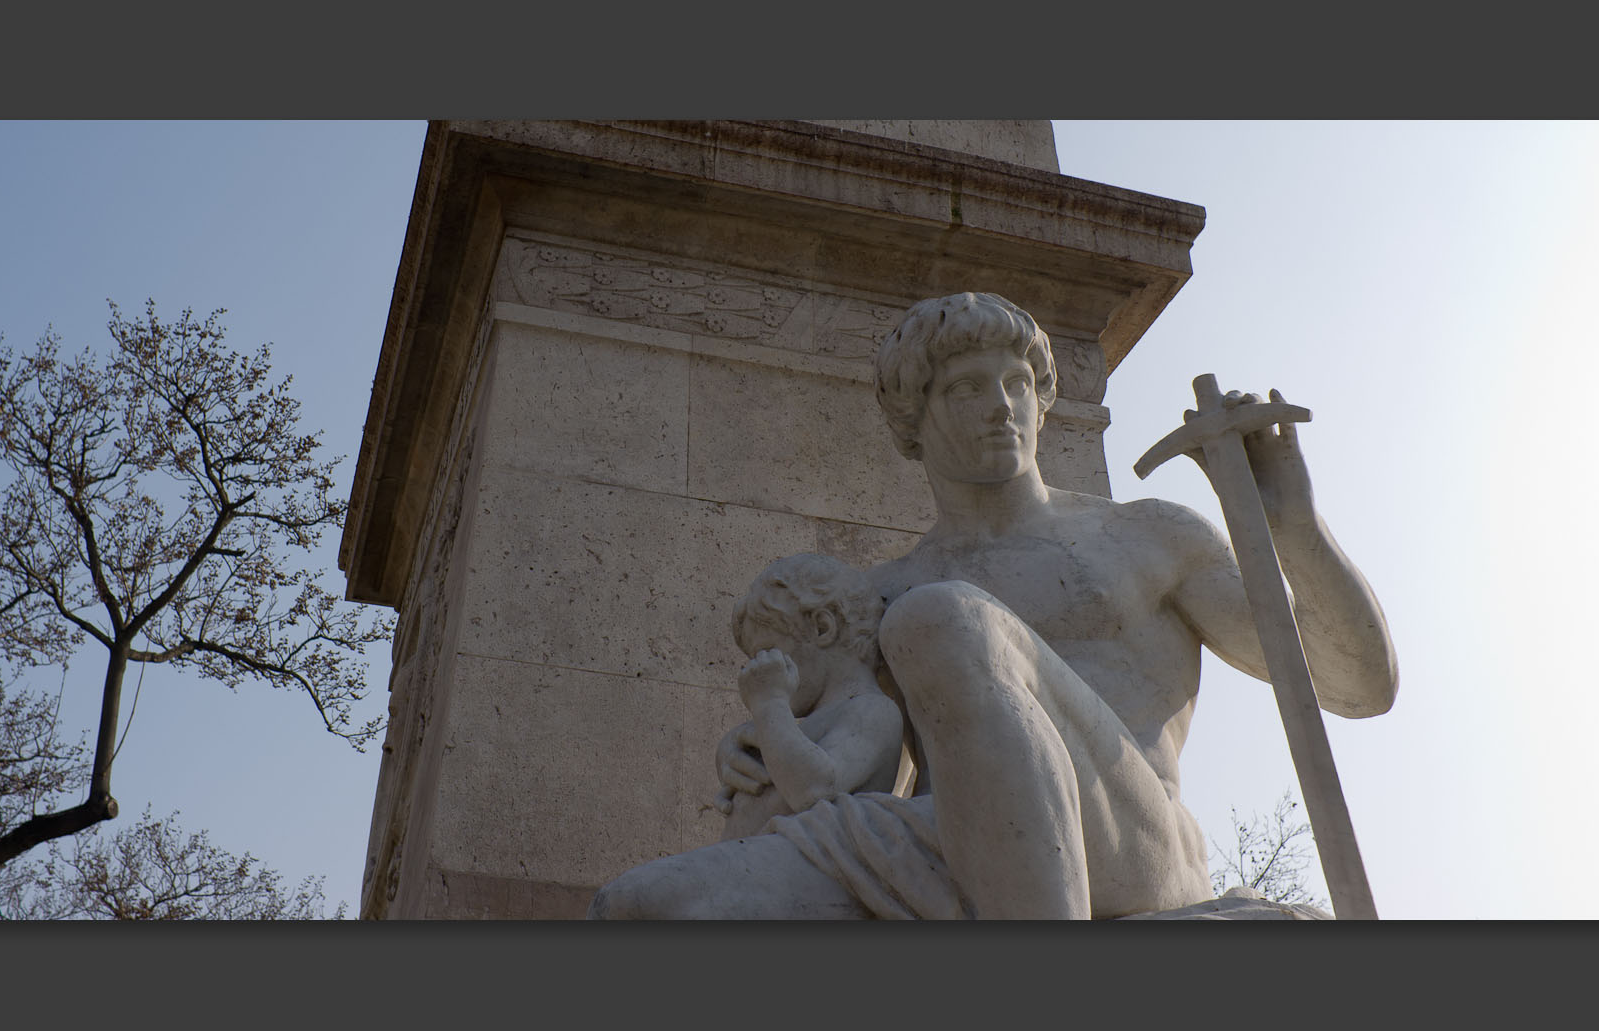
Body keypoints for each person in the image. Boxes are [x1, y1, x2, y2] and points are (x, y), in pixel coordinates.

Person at [589, 292, 1397, 919]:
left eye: (1017, 385)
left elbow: (1357, 686)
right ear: (914, 416)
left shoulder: (1144, 538)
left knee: (943, 616)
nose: (1001, 406)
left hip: (1130, 838)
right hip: (952, 837)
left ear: (1043, 401)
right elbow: (841, 756)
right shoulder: (876, 596)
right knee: (639, 907)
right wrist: (761, 740)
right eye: (968, 388)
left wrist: (1297, 527)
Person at [712, 553, 903, 842]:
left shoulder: (872, 711)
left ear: (823, 628)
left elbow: (815, 790)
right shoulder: (808, 726)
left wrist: (769, 704)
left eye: (767, 651)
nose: (756, 668)